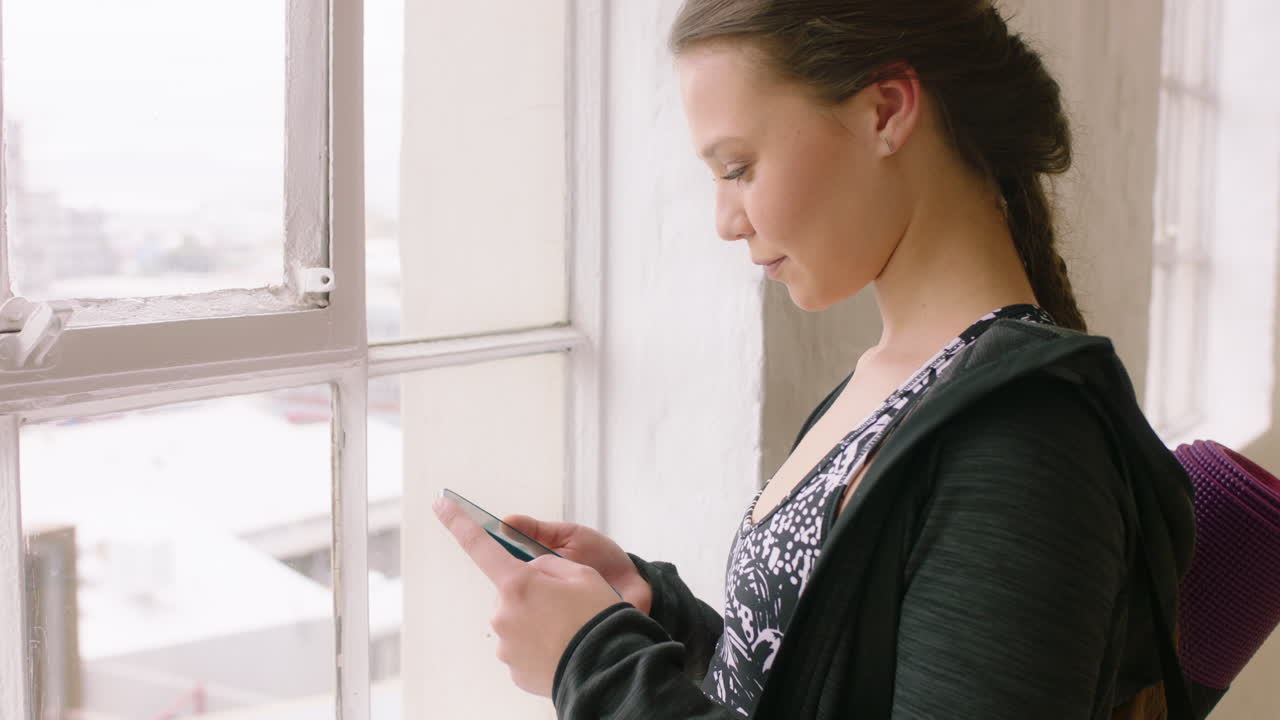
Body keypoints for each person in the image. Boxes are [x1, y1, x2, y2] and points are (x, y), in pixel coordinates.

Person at [432, 1, 1198, 718]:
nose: (725, 221)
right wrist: (654, 618)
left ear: (886, 111)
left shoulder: (1024, 441)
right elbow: (813, 683)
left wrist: (592, 664)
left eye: (738, 168)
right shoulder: (890, 380)